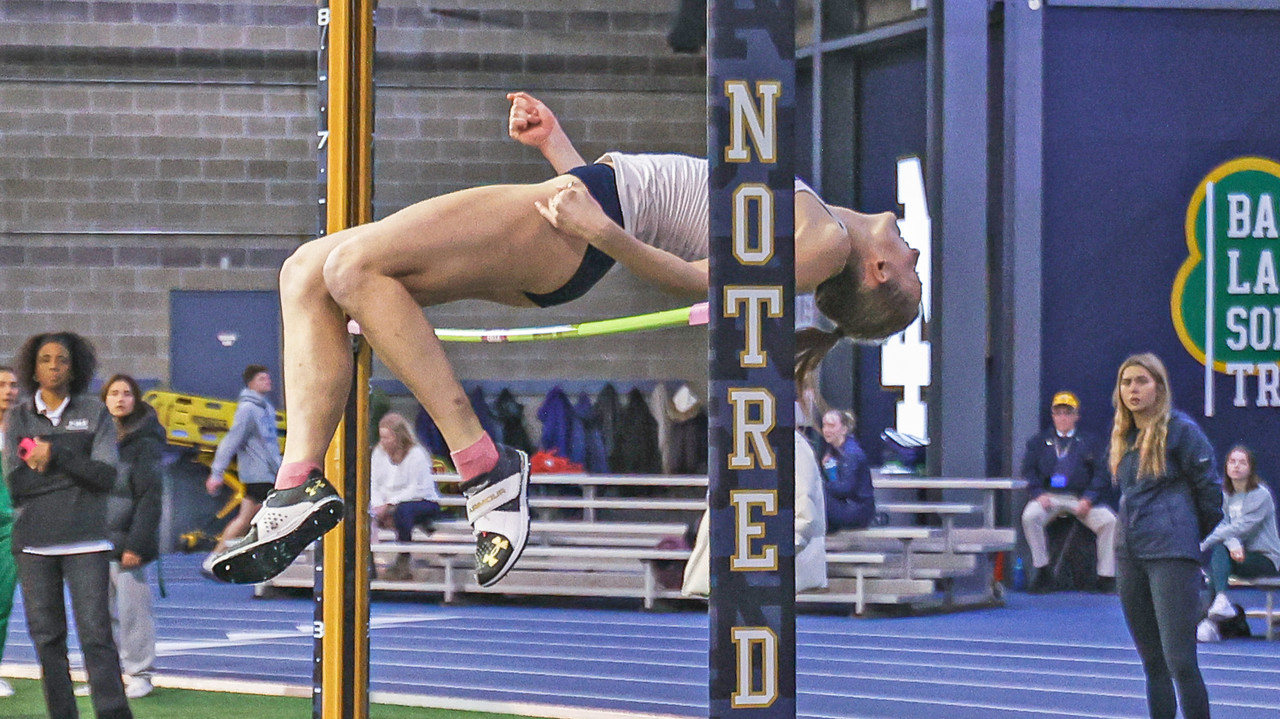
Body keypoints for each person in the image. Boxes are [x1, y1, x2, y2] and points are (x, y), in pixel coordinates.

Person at [208, 91, 923, 587]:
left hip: (585, 224)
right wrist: (558, 146)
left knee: (351, 267)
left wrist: (600, 228)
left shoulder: (825, 240)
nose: (918, 255)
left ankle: (486, 467)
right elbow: (664, 212)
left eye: (912, 272)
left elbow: (704, 281)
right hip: (589, 207)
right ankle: (297, 487)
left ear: (879, 270)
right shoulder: (821, 219)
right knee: (307, 271)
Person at [2, 333, 133, 719]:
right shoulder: (20, 418)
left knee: (97, 638)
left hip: (87, 542)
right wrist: (76, 468)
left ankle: (113, 713)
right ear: (33, 367)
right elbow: (19, 484)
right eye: (45, 359)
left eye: (62, 360)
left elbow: (106, 477)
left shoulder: (95, 413)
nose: (54, 366)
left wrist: (55, 453)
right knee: (47, 640)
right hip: (34, 545)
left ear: (75, 367)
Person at [1109, 353, 1221, 719]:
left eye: (1141, 381)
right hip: (1130, 554)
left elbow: (1210, 494)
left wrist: (1186, 536)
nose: (1133, 389)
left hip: (1171, 554)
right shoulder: (1123, 435)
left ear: (1159, 386)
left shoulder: (1182, 430)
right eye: (1127, 383)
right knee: (1152, 662)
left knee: (1180, 661)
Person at [100, 374, 165, 699]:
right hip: (97, 541)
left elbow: (150, 498)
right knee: (101, 616)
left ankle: (140, 673)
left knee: (133, 614)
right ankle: (109, 678)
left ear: (136, 399)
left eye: (126, 393)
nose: (120, 398)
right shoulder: (98, 438)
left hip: (128, 544)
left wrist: (136, 545)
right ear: (105, 399)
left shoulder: (146, 441)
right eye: (114, 393)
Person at [1020, 390, 1116, 593]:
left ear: (1076, 416)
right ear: (1053, 415)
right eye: (1058, 413)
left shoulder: (1090, 442)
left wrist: (1089, 499)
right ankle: (1042, 570)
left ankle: (1106, 576)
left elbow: (1102, 473)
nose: (1063, 417)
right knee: (1030, 517)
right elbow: (1029, 471)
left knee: (1110, 522)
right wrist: (1038, 493)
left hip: (1079, 499)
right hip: (1050, 497)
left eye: (1067, 413)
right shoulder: (1038, 442)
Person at [201, 364, 281, 576]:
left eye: (268, 378)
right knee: (256, 519)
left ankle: (217, 559)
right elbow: (231, 441)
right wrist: (217, 473)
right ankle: (217, 559)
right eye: (262, 379)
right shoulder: (248, 409)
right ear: (251, 383)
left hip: (269, 473)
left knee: (247, 520)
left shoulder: (265, 407)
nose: (268, 382)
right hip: (258, 475)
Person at [1199, 444, 1280, 624]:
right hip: (1237, 555)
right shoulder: (1224, 493)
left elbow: (1242, 527)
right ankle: (1218, 612)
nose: (1236, 466)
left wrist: (1202, 545)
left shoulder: (1261, 495)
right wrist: (1233, 544)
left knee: (1218, 559)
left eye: (1242, 463)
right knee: (1219, 558)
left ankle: (1207, 620)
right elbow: (1221, 523)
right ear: (1226, 466)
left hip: (1265, 558)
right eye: (1232, 462)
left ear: (1250, 468)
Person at [371, 412, 442, 581]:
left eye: (387, 437)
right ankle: (368, 565)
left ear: (399, 437)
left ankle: (404, 558)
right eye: (382, 437)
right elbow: (373, 483)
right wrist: (379, 504)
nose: (383, 442)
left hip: (421, 500)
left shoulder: (417, 454)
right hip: (386, 503)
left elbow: (416, 488)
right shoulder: (378, 453)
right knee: (362, 513)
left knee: (403, 512)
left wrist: (389, 505)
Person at [818, 409, 876, 532]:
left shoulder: (851, 453)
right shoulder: (833, 450)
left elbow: (845, 488)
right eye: (824, 425)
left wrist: (821, 484)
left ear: (844, 429)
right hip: (846, 505)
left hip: (857, 509)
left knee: (816, 495)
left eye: (831, 426)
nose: (826, 430)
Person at [0, 366, 20, 699]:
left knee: (2, 603)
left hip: (11, 529)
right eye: (1, 385)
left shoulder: (24, 430)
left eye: (14, 385)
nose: (8, 390)